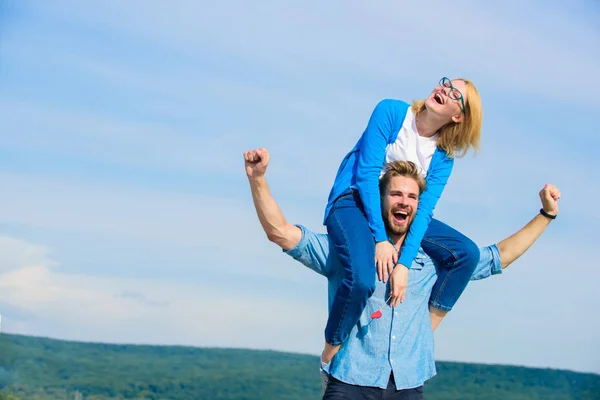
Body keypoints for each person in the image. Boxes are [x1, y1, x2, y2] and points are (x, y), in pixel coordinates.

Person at [244, 147, 560, 400]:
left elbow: (497, 257)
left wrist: (546, 215)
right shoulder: (352, 253)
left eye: (411, 197)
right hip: (351, 382)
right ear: (380, 200)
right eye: (396, 194)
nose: (403, 202)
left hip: (408, 386)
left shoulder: (435, 259)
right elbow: (281, 233)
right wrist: (258, 180)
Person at [321, 77, 484, 364]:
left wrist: (404, 265)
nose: (443, 90)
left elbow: (423, 210)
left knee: (466, 254)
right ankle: (331, 352)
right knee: (361, 280)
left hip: (400, 214)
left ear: (458, 116)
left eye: (454, 93)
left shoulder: (443, 157)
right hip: (355, 200)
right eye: (445, 83)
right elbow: (366, 174)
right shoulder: (393, 113)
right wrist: (381, 240)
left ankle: (422, 331)